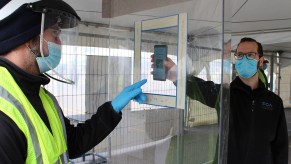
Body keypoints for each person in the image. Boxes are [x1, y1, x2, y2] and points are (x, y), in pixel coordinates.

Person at [0, 1, 147, 163]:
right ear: (28, 38)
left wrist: (112, 109)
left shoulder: (41, 95)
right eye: (55, 34)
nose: (60, 43)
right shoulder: (4, 110)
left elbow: (72, 143)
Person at [152, 37, 288, 164]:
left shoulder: (274, 102)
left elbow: (280, 146)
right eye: (240, 55)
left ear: (260, 61)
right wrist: (176, 74)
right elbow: (198, 88)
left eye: (250, 55)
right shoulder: (224, 94)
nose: (244, 59)